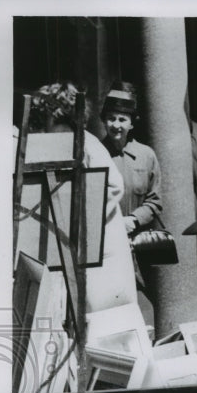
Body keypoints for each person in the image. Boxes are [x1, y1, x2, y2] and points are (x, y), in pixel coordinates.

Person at [26, 82, 136, 313]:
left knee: (101, 315)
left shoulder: (87, 144)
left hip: (102, 246)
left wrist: (79, 218)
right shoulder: (50, 144)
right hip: (70, 245)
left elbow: (113, 185)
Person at [101, 83, 163, 239]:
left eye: (122, 119)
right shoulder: (97, 154)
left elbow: (155, 200)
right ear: (104, 121)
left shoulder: (146, 155)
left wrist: (133, 220)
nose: (116, 125)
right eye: (111, 118)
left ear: (132, 123)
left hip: (138, 237)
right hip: (106, 238)